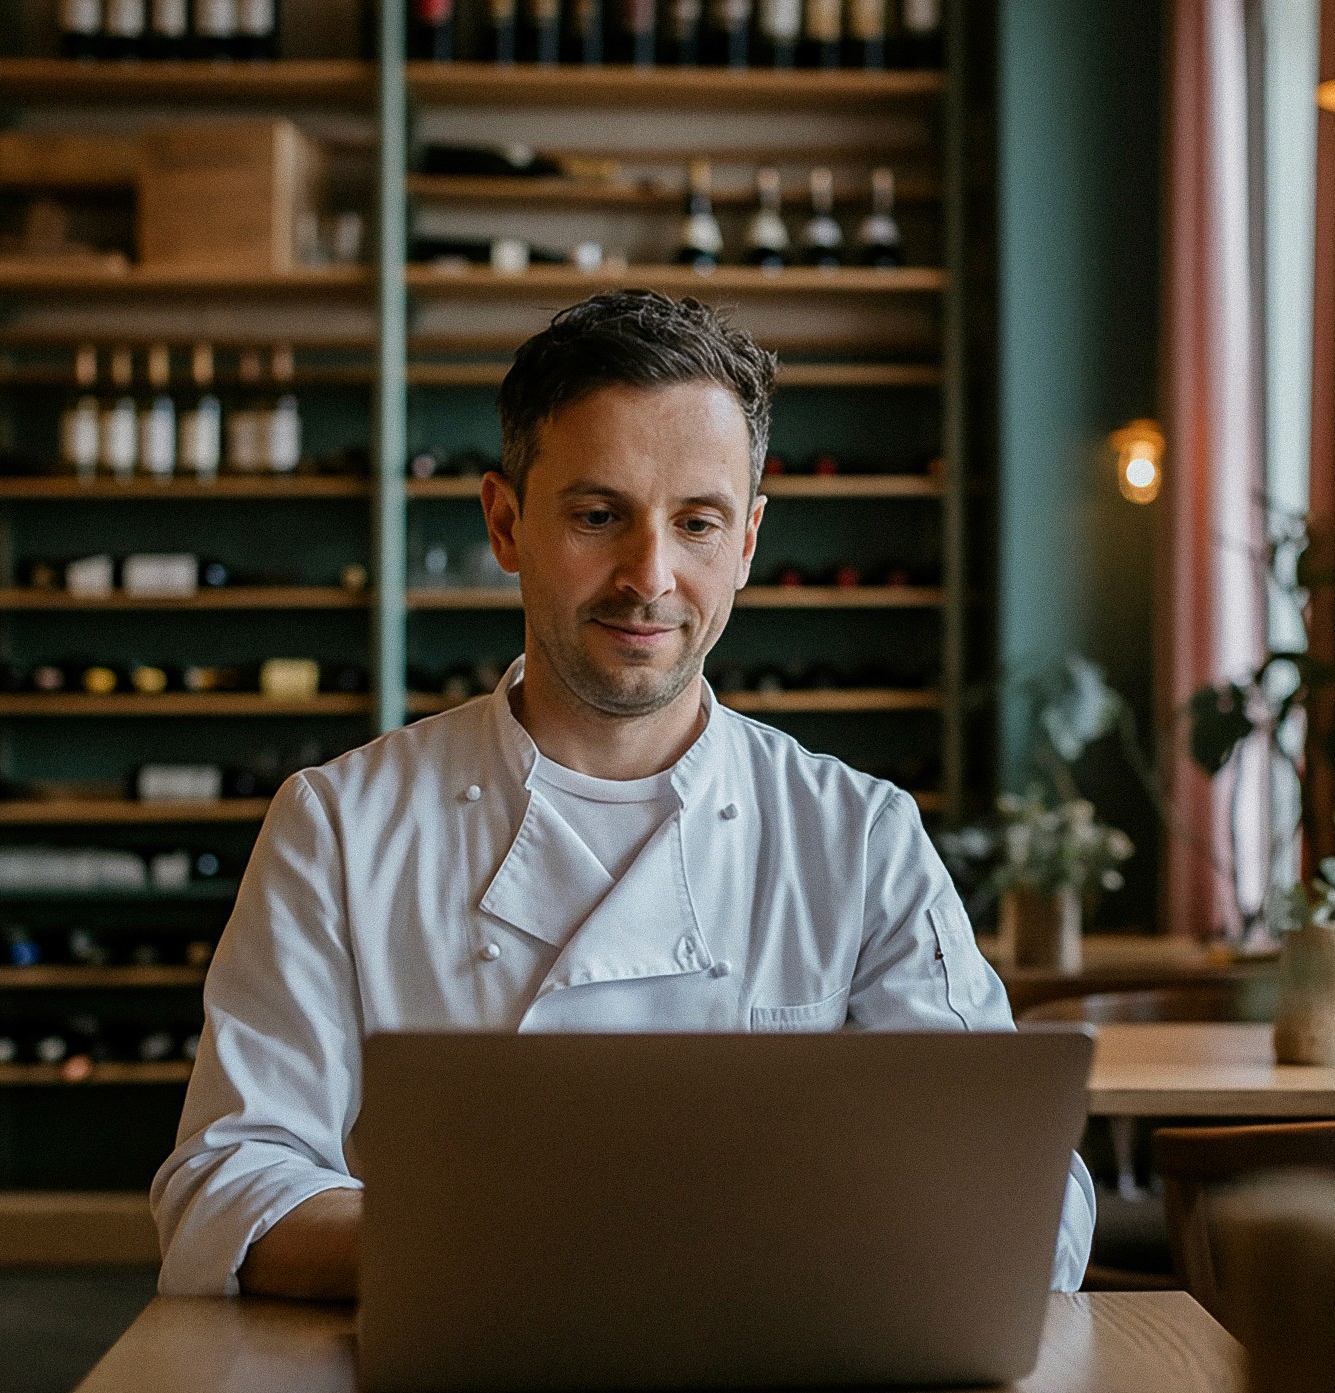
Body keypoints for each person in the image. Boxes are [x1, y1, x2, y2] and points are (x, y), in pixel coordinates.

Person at [149, 290, 1095, 1298]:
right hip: (458, 1357)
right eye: (598, 515)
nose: (649, 574)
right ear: (505, 522)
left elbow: (1027, 1197)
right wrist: (529, 1258)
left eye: (696, 522)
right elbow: (225, 1182)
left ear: (746, 542)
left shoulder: (857, 835)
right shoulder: (339, 824)